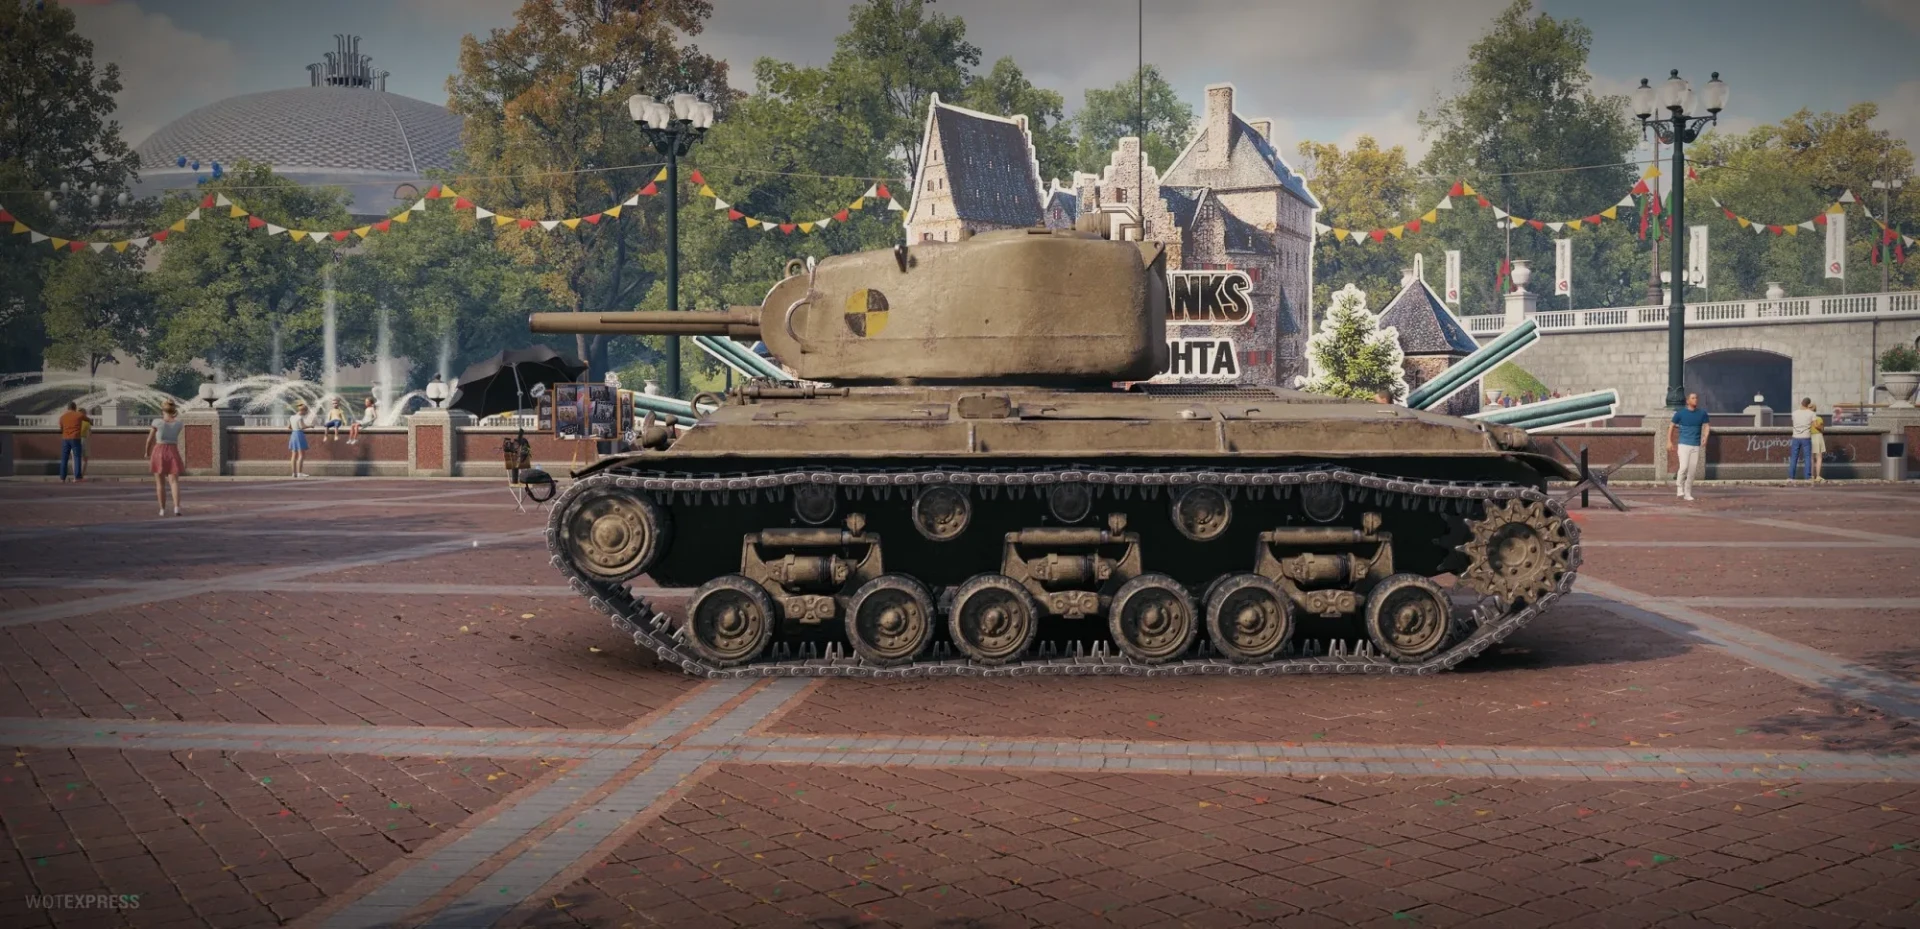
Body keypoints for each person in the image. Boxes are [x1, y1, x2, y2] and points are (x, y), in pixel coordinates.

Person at [1667, 392, 1711, 502]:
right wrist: (1669, 441)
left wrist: (1705, 436)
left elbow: (1707, 426)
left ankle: (1688, 493)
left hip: (1695, 446)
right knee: (1684, 467)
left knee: (1692, 471)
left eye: (1696, 398)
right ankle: (1679, 487)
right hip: (1683, 445)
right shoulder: (1680, 414)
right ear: (1688, 401)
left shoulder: (1702, 413)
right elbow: (1671, 426)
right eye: (1693, 398)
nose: (1695, 399)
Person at [144, 400, 185, 516]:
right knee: (174, 482)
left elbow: (149, 440)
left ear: (162, 410)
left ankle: (162, 509)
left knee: (160, 483)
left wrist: (146, 452)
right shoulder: (179, 424)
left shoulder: (157, 422)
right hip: (173, 450)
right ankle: (176, 508)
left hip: (159, 451)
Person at [57, 402, 90, 482]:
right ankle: (78, 477)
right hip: (75, 438)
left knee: (64, 458)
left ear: (68, 408)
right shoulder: (79, 415)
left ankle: (62, 478)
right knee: (77, 457)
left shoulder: (62, 417)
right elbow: (88, 420)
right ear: (75, 408)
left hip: (65, 439)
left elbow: (61, 428)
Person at [1789, 398, 1816, 482]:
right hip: (1806, 437)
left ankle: (1791, 477)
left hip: (1796, 437)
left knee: (1794, 458)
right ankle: (1807, 477)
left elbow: (1794, 423)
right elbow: (1815, 425)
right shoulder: (1812, 413)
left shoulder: (1794, 413)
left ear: (1801, 403)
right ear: (1809, 404)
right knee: (1807, 458)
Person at [288, 402, 311, 478]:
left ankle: (293, 473)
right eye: (305, 412)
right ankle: (299, 473)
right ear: (303, 411)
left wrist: (295, 428)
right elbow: (302, 427)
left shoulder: (292, 417)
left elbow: (289, 427)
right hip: (299, 435)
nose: (305, 414)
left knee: (293, 455)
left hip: (293, 435)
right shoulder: (300, 418)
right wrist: (310, 426)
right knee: (301, 454)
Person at [1810, 404, 1827, 483]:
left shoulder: (1806, 419)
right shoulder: (1819, 418)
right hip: (1818, 437)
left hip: (1809, 437)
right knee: (1819, 457)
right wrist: (1820, 426)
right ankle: (1818, 476)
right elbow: (1822, 429)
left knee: (1811, 458)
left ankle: (1811, 476)